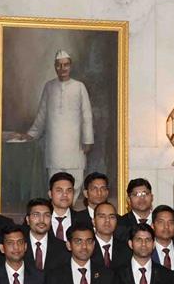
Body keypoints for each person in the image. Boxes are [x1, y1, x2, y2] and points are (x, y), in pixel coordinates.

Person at [22, 49, 95, 181]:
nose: (62, 68)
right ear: (55, 67)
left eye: (65, 64)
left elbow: (87, 115)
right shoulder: (49, 86)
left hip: (74, 143)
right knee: (54, 179)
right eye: (59, 65)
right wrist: (32, 134)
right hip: (54, 144)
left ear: (70, 66)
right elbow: (42, 114)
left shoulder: (79, 87)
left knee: (76, 179)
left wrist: (88, 139)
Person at [46, 172, 91, 242]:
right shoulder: (40, 219)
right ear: (50, 194)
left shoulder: (83, 220)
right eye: (59, 190)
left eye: (69, 190)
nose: (65, 194)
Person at [91, 200, 127, 270]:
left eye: (112, 217)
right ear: (93, 221)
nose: (107, 220)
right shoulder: (87, 247)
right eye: (102, 216)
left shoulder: (126, 249)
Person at [150, 205, 174, 271]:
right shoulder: (147, 250)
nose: (166, 226)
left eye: (170, 222)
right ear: (152, 226)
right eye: (161, 222)